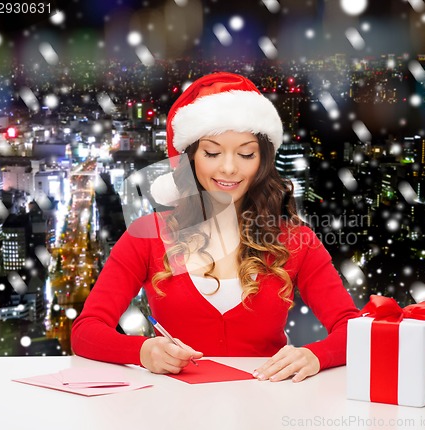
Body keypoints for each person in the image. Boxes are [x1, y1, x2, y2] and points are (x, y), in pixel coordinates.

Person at [71, 72, 359, 383]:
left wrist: (315, 355)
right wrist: (142, 351)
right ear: (191, 158)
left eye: (246, 154)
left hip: (267, 405)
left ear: (262, 160)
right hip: (173, 409)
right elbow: (86, 331)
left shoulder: (297, 240)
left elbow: (353, 330)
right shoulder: (147, 236)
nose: (229, 168)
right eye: (212, 152)